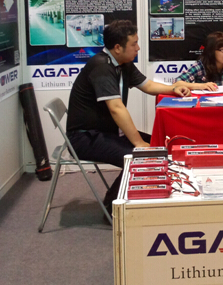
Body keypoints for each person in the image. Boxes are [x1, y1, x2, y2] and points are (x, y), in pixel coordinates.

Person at [66, 20, 190, 219]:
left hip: (105, 132)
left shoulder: (123, 64)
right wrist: (139, 143)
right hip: (84, 138)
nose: (138, 48)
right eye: (134, 44)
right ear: (117, 48)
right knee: (140, 156)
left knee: (158, 146)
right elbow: (116, 109)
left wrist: (174, 88)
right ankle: (112, 211)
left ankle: (143, 198)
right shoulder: (101, 66)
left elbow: (148, 86)